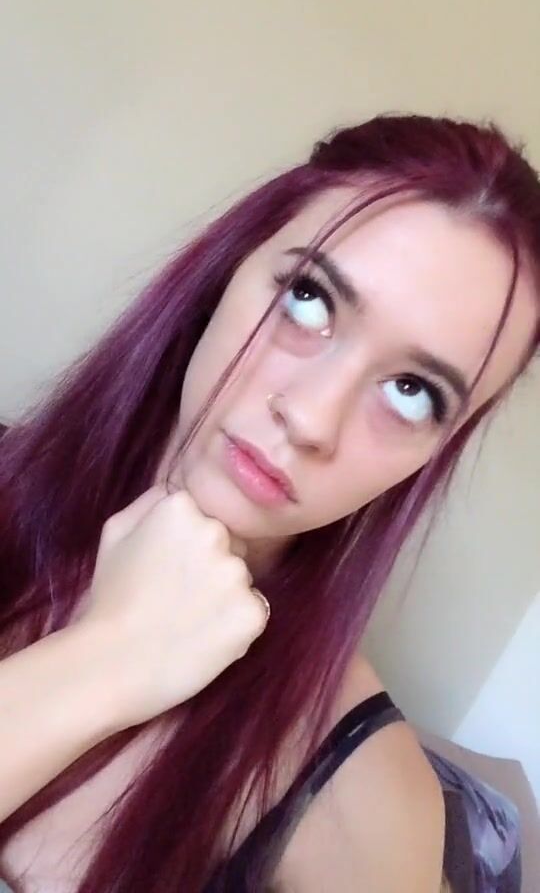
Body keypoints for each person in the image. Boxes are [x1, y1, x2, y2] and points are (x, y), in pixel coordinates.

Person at [0, 113, 537, 893]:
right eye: (310, 300)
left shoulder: (366, 805)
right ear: (230, 268)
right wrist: (111, 654)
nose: (312, 419)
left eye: (412, 391)